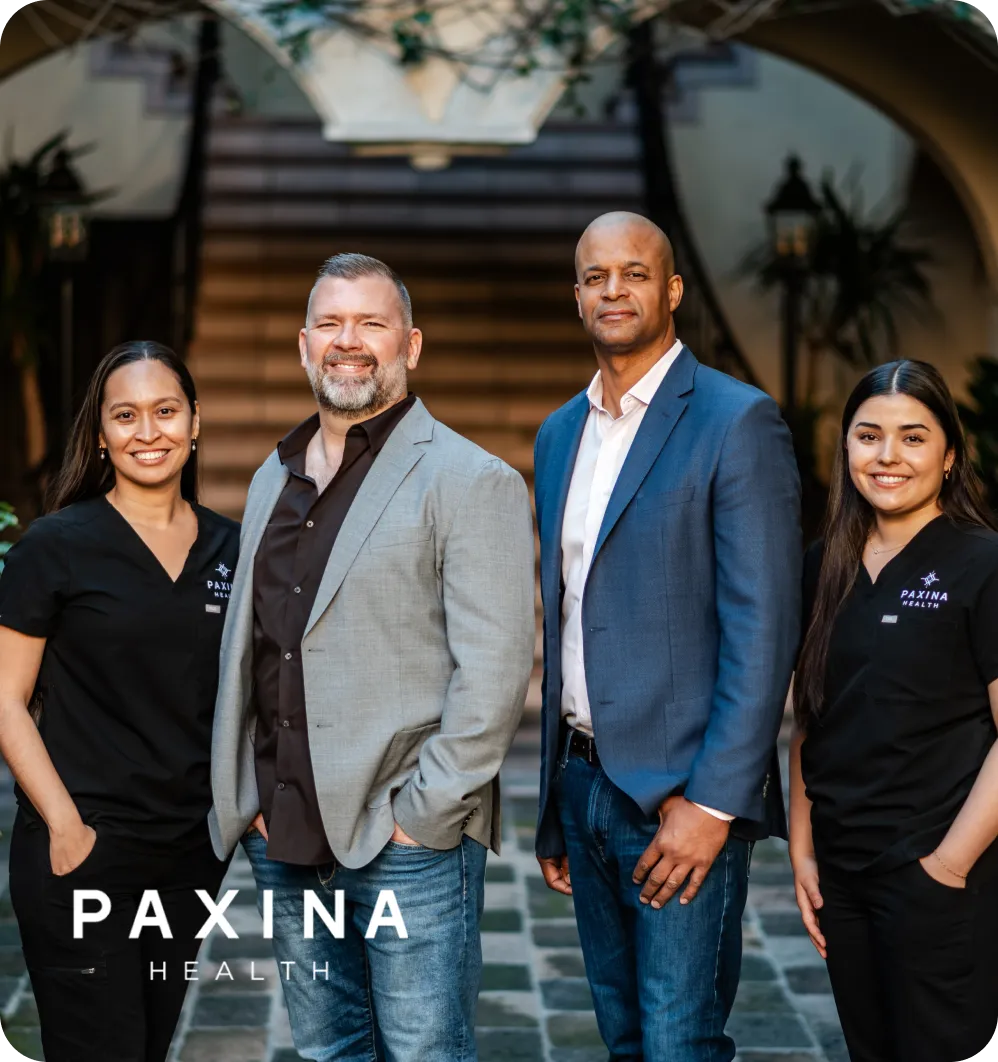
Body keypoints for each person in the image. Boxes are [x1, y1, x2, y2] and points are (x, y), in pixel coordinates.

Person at [208, 252, 536, 1062]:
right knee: (328, 1053)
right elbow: (256, 649)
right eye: (330, 323)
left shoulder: (470, 479)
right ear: (302, 344)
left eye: (371, 324)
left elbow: (494, 673)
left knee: (425, 1053)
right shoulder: (269, 481)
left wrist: (421, 818)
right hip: (284, 833)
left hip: (405, 842)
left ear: (411, 346)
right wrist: (248, 794)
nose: (348, 342)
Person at [533, 211, 801, 1062]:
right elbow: (569, 610)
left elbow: (764, 626)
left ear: (673, 290)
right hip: (582, 785)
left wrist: (715, 804)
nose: (614, 290)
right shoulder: (557, 435)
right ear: (577, 295)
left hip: (681, 800)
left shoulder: (735, 420)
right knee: (624, 1041)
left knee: (680, 1043)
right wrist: (553, 809)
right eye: (595, 276)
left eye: (635, 273)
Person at [0, 341, 236, 1062]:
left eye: (165, 412)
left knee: (147, 1047)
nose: (148, 432)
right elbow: (6, 700)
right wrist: (67, 828)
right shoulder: (57, 545)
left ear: (195, 422)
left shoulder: (232, 548)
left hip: (190, 857)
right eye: (125, 415)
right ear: (101, 435)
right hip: (85, 852)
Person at [789, 359, 998, 1062]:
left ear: (949, 456)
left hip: (938, 876)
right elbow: (812, 713)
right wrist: (802, 846)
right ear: (845, 448)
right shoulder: (824, 566)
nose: (887, 457)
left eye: (913, 438)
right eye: (868, 435)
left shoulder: (982, 563)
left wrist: (948, 867)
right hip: (844, 878)